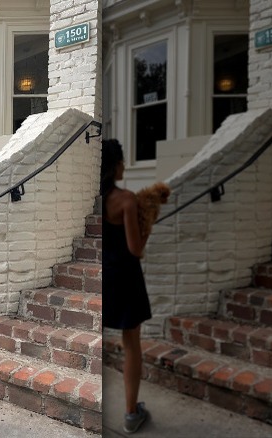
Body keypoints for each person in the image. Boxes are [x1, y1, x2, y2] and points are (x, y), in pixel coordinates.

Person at [101, 139, 153, 434]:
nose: (124, 166)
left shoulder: (97, 198)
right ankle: (131, 413)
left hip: (104, 276)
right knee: (132, 342)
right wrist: (147, 227)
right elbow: (136, 248)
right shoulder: (127, 200)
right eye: (121, 161)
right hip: (127, 278)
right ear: (115, 165)